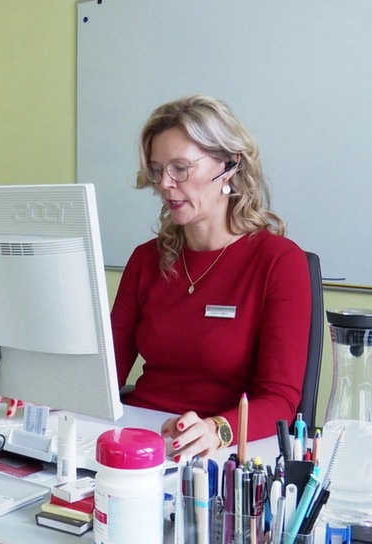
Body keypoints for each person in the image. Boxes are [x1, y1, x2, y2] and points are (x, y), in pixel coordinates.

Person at [110, 94, 311, 463]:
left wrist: (217, 430)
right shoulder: (146, 259)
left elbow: (281, 399)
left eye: (181, 168)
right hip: (144, 438)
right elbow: (105, 373)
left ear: (229, 166)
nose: (166, 184)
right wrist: (37, 400)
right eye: (157, 170)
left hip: (223, 453)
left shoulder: (279, 262)